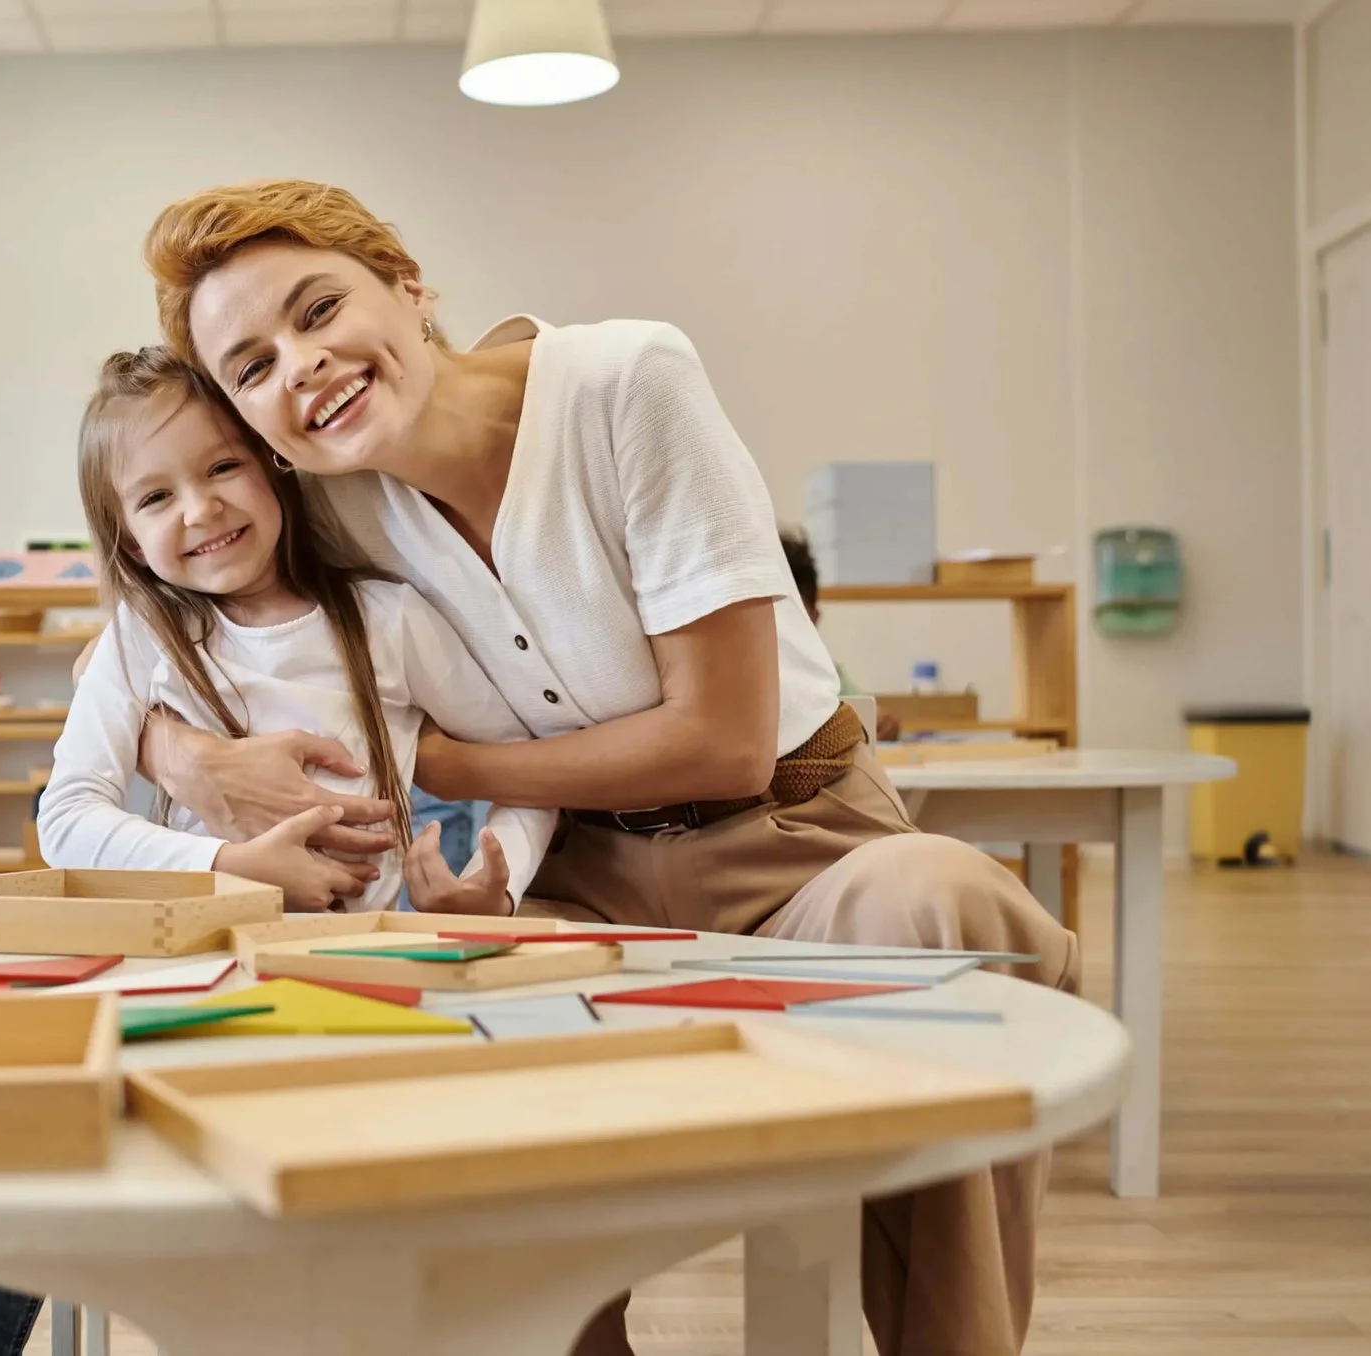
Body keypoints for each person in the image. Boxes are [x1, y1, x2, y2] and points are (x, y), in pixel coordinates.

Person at [120, 179, 1077, 1356]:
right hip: (574, 878)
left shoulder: (626, 383)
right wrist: (187, 753)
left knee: (944, 904)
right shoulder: (332, 498)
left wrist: (433, 761)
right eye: (252, 368)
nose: (301, 368)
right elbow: (140, 624)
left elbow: (722, 741)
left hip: (798, 844)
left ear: (411, 287)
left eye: (318, 310)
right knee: (419, 1020)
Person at [0, 345, 557, 1354]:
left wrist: (501, 880)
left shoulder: (388, 620)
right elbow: (67, 814)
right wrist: (229, 869)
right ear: (125, 537)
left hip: (357, 985)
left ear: (273, 464)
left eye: (222, 468)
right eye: (156, 496)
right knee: (26, 1141)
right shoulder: (140, 640)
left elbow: (527, 758)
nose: (202, 510)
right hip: (182, 971)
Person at [779, 526, 900, 740]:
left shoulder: (825, 675)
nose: (783, 631)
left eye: (794, 618)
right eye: (776, 618)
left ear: (815, 617)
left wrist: (883, 723)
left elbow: (873, 716)